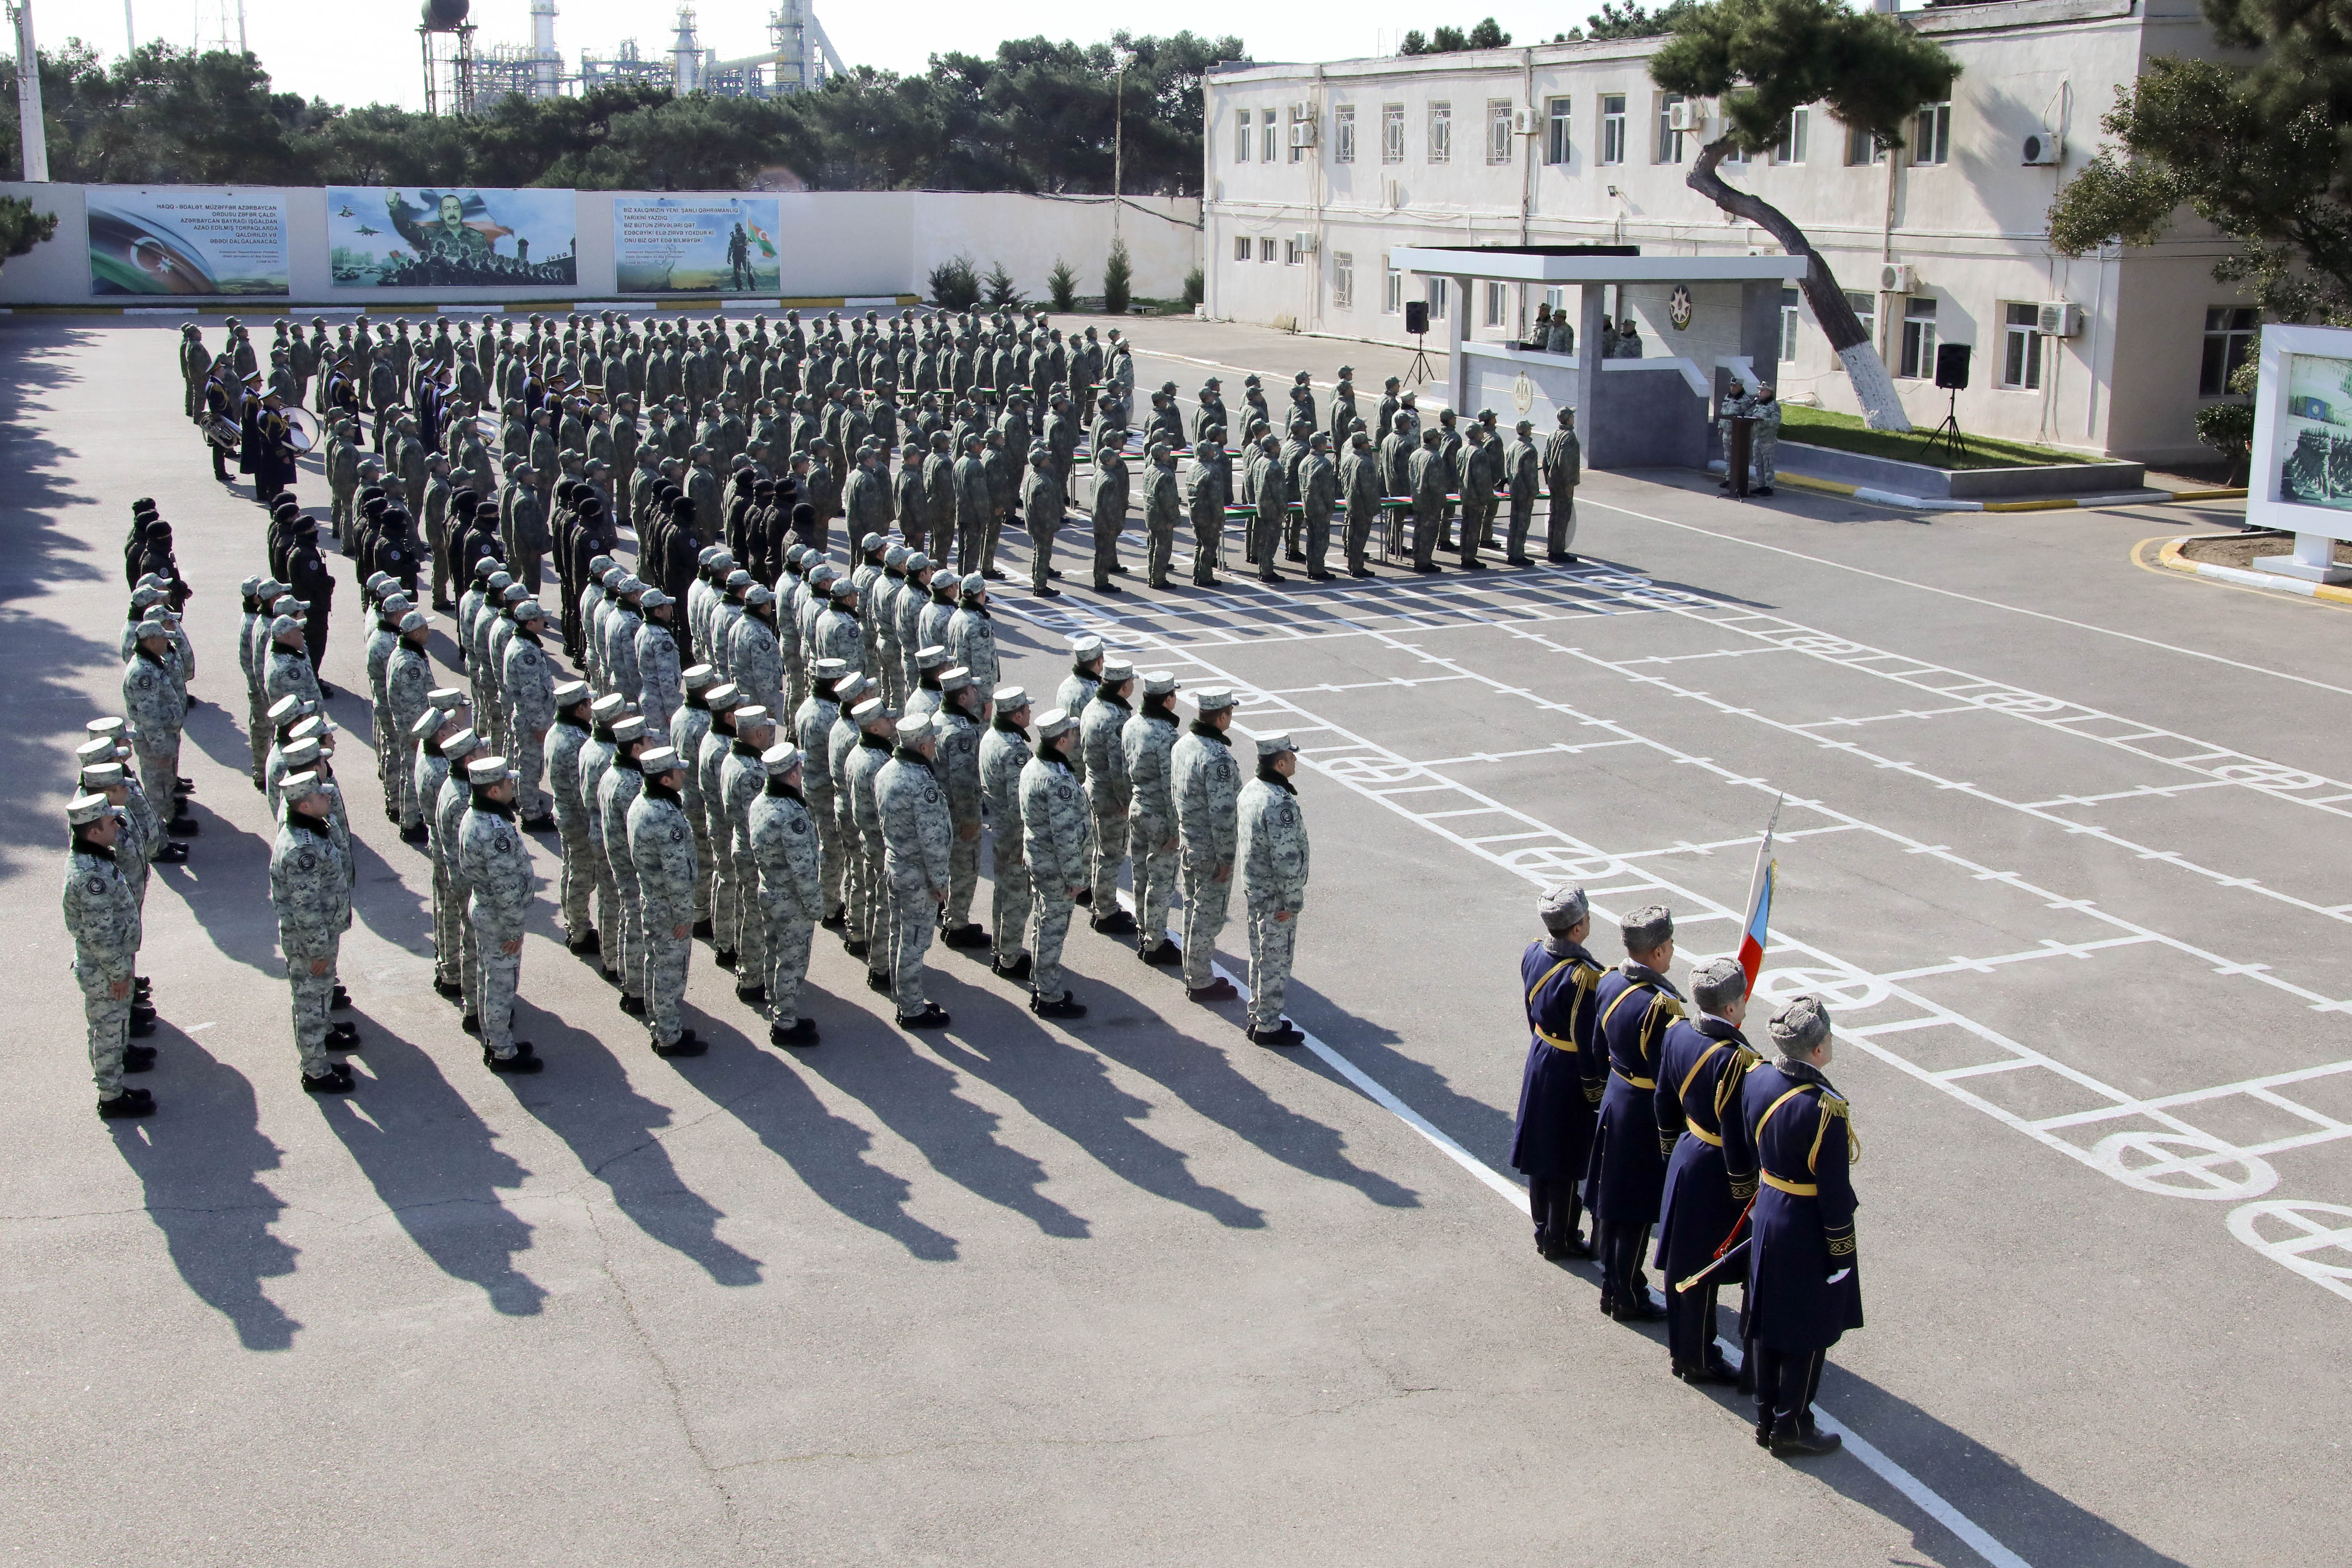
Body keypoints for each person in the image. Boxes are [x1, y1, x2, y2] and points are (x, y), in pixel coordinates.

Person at [1723, 994, 1859, 1458]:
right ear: (1817, 1050)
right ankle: (1791, 1424)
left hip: (1769, 1211)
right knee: (1806, 1329)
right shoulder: (1826, 1109)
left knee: (1767, 1321)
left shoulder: (1757, 1077)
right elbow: (1834, 1193)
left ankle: (1766, 1417)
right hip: (1804, 1225)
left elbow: (1739, 1142)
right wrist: (1841, 1252)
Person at [1655, 954, 1759, 1387]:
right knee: (1703, 1269)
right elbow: (1737, 1135)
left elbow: (1663, 1100)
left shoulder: (1677, 1032)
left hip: (1685, 1152)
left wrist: (1669, 1152)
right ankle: (1696, 1357)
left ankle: (1685, 1349)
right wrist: (1745, 1194)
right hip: (1717, 1168)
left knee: (1683, 1263)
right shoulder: (1735, 1059)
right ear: (1732, 1008)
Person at [1586, 904, 1685, 1322]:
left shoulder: (1609, 980)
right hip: (1643, 1111)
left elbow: (1596, 1046)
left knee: (1612, 1203)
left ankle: (1615, 1283)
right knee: (1635, 1212)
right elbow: (1669, 1080)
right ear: (1660, 952)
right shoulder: (1662, 1006)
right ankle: (1626, 1292)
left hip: (1616, 1095)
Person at [1512, 884, 1608, 1260]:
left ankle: (1542, 1228)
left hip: (1540, 1055)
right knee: (1566, 1157)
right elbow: (1587, 1042)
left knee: (1541, 1149)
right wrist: (1594, 1087)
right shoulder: (1583, 976)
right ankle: (1561, 1235)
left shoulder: (1533, 952)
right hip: (1569, 1069)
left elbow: (1528, 1007)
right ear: (1577, 928)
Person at [270, 769, 362, 1093]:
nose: (329, 797)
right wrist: (318, 949)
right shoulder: (303, 850)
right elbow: (305, 907)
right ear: (305, 806)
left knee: (320, 995)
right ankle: (316, 1072)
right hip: (310, 941)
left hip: (319, 934)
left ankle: (323, 1040)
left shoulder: (310, 831)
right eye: (322, 796)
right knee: (310, 1001)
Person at [66, 790, 155, 1118]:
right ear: (94, 833)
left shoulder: (96, 857)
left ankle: (115, 1081)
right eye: (110, 823)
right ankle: (112, 1097)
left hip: (108, 963)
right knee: (106, 1031)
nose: (117, 826)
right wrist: (119, 973)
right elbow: (100, 934)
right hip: (105, 968)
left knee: (111, 1027)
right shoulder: (93, 877)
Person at [461, 755, 545, 1074]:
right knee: (500, 985)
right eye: (508, 783)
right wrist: (514, 929)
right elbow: (505, 885)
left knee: (488, 979)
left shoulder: (475, 815)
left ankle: (495, 1040)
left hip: (485, 909)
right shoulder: (493, 831)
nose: (513, 785)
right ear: (493, 792)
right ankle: (503, 1052)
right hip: (499, 916)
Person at [877, 710, 954, 1029]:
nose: (935, 743)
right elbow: (932, 840)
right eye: (932, 739)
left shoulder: (887, 771)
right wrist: (940, 882)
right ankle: (911, 1010)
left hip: (896, 866)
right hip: (917, 876)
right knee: (913, 942)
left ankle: (903, 996)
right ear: (923, 747)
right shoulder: (921, 784)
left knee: (899, 935)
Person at [628, 745, 705, 1058]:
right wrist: (685, 915)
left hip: (654, 900)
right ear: (664, 780)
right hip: (669, 906)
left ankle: (662, 1025)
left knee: (656, 965)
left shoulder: (643, 803)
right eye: (678, 771)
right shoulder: (665, 818)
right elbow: (676, 873)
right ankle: (669, 1036)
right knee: (670, 971)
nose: (683, 774)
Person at [1234, 733, 1309, 1046]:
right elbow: (1286, 858)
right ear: (1280, 763)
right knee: (1276, 960)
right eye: (1291, 756)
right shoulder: (1278, 802)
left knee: (1260, 955)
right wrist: (1294, 901)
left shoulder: (1252, 790)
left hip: (1256, 888)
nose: (1295, 760)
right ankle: (1268, 1025)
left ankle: (1257, 1015)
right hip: (1276, 895)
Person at [748, 741, 823, 1047]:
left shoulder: (760, 802)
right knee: (791, 961)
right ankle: (785, 1024)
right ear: (792, 776)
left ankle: (777, 1009)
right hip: (791, 901)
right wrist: (816, 905)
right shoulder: (792, 815)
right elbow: (802, 869)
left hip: (768, 890)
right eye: (799, 768)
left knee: (773, 953)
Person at [1171, 687, 1242, 1002]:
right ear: (1222, 716)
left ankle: (1193, 970)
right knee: (1207, 915)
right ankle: (1199, 980)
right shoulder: (1217, 758)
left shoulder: (1183, 744)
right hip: (1210, 849)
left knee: (1192, 907)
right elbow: (1224, 815)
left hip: (1189, 840)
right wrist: (1226, 858)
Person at [1018, 708, 1090, 1020]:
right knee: (1052, 929)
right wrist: (1075, 876)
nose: (1075, 736)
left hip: (1040, 859)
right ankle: (1049, 996)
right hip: (1056, 868)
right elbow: (1064, 835)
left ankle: (1041, 983)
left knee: (1043, 923)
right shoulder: (1056, 780)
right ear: (1062, 740)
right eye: (1072, 733)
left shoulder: (1035, 766)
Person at [1119, 671, 1184, 966]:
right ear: (1167, 699)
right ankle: (1155, 943)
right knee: (1161, 882)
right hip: (1159, 815)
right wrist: (1175, 827)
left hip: (1137, 807)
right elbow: (1170, 785)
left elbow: (1124, 767)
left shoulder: (1131, 724)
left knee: (1140, 875)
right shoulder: (1167, 734)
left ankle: (1144, 929)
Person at [719, 706, 777, 1010]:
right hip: (753, 850)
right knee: (754, 916)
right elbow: (760, 817)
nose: (770, 733)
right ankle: (753, 978)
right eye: (766, 730)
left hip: (739, 843)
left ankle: (747, 968)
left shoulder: (732, 758)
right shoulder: (753, 771)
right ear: (757, 734)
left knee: (745, 911)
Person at [600, 715, 654, 1019]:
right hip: (632, 861)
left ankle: (627, 978)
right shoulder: (632, 783)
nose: (653, 745)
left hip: (618, 857)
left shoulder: (612, 772)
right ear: (636, 748)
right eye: (648, 742)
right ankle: (636, 989)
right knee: (636, 922)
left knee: (626, 914)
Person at [980, 684, 1036, 982]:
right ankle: (1011, 958)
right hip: (1014, 832)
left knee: (1003, 891)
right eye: (1027, 709)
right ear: (1017, 715)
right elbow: (1020, 800)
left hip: (1000, 828)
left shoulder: (991, 736)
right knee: (1017, 896)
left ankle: (1002, 947)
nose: (1030, 712)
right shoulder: (1013, 749)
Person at [1079, 659, 1138, 935]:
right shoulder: (1115, 717)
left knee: (1100, 850)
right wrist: (1125, 800)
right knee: (1111, 854)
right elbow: (1120, 765)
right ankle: (1105, 911)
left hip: (1094, 786)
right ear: (1124, 685)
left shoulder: (1094, 705)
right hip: (1109, 795)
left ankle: (1099, 904)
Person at [843, 696, 897, 993]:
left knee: (871, 892)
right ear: (874, 728)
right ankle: (880, 966)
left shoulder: (859, 752)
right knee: (884, 904)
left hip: (867, 836)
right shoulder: (878, 762)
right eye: (886, 720)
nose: (892, 722)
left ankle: (867, 945)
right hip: (880, 839)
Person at [1023, 447, 1065, 597]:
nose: (1049, 460)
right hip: (1043, 525)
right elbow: (1044, 509)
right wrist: (1048, 528)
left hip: (1034, 524)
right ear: (1041, 463)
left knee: (1038, 553)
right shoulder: (1044, 482)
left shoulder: (1032, 476)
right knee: (1043, 554)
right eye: (1046, 459)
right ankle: (1041, 586)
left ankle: (1037, 582)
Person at [1542, 408, 1581, 564]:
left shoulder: (1553, 435)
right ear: (1569, 419)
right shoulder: (1569, 437)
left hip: (1553, 481)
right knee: (1563, 517)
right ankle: (1558, 551)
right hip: (1563, 483)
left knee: (1554, 515)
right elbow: (1564, 461)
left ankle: (1552, 549)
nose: (1574, 418)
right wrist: (1569, 484)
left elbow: (1545, 460)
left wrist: (1549, 479)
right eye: (1572, 416)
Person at [1503, 419, 1541, 567]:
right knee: (1523, 523)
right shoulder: (1530, 450)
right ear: (1526, 431)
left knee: (1514, 522)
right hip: (1525, 491)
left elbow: (1508, 466)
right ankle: (1518, 554)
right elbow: (1531, 475)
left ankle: (1511, 551)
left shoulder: (1513, 446)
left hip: (1515, 489)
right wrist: (1534, 492)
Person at [1750, 384, 1782, 497]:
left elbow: (1775, 423)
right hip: (1758, 439)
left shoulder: (1774, 407)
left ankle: (1769, 487)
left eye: (1762, 391)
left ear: (1769, 392)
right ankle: (1761, 485)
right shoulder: (1758, 405)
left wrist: (1762, 420)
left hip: (1768, 441)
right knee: (1758, 464)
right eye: (1759, 391)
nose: (1760, 393)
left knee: (1767, 464)